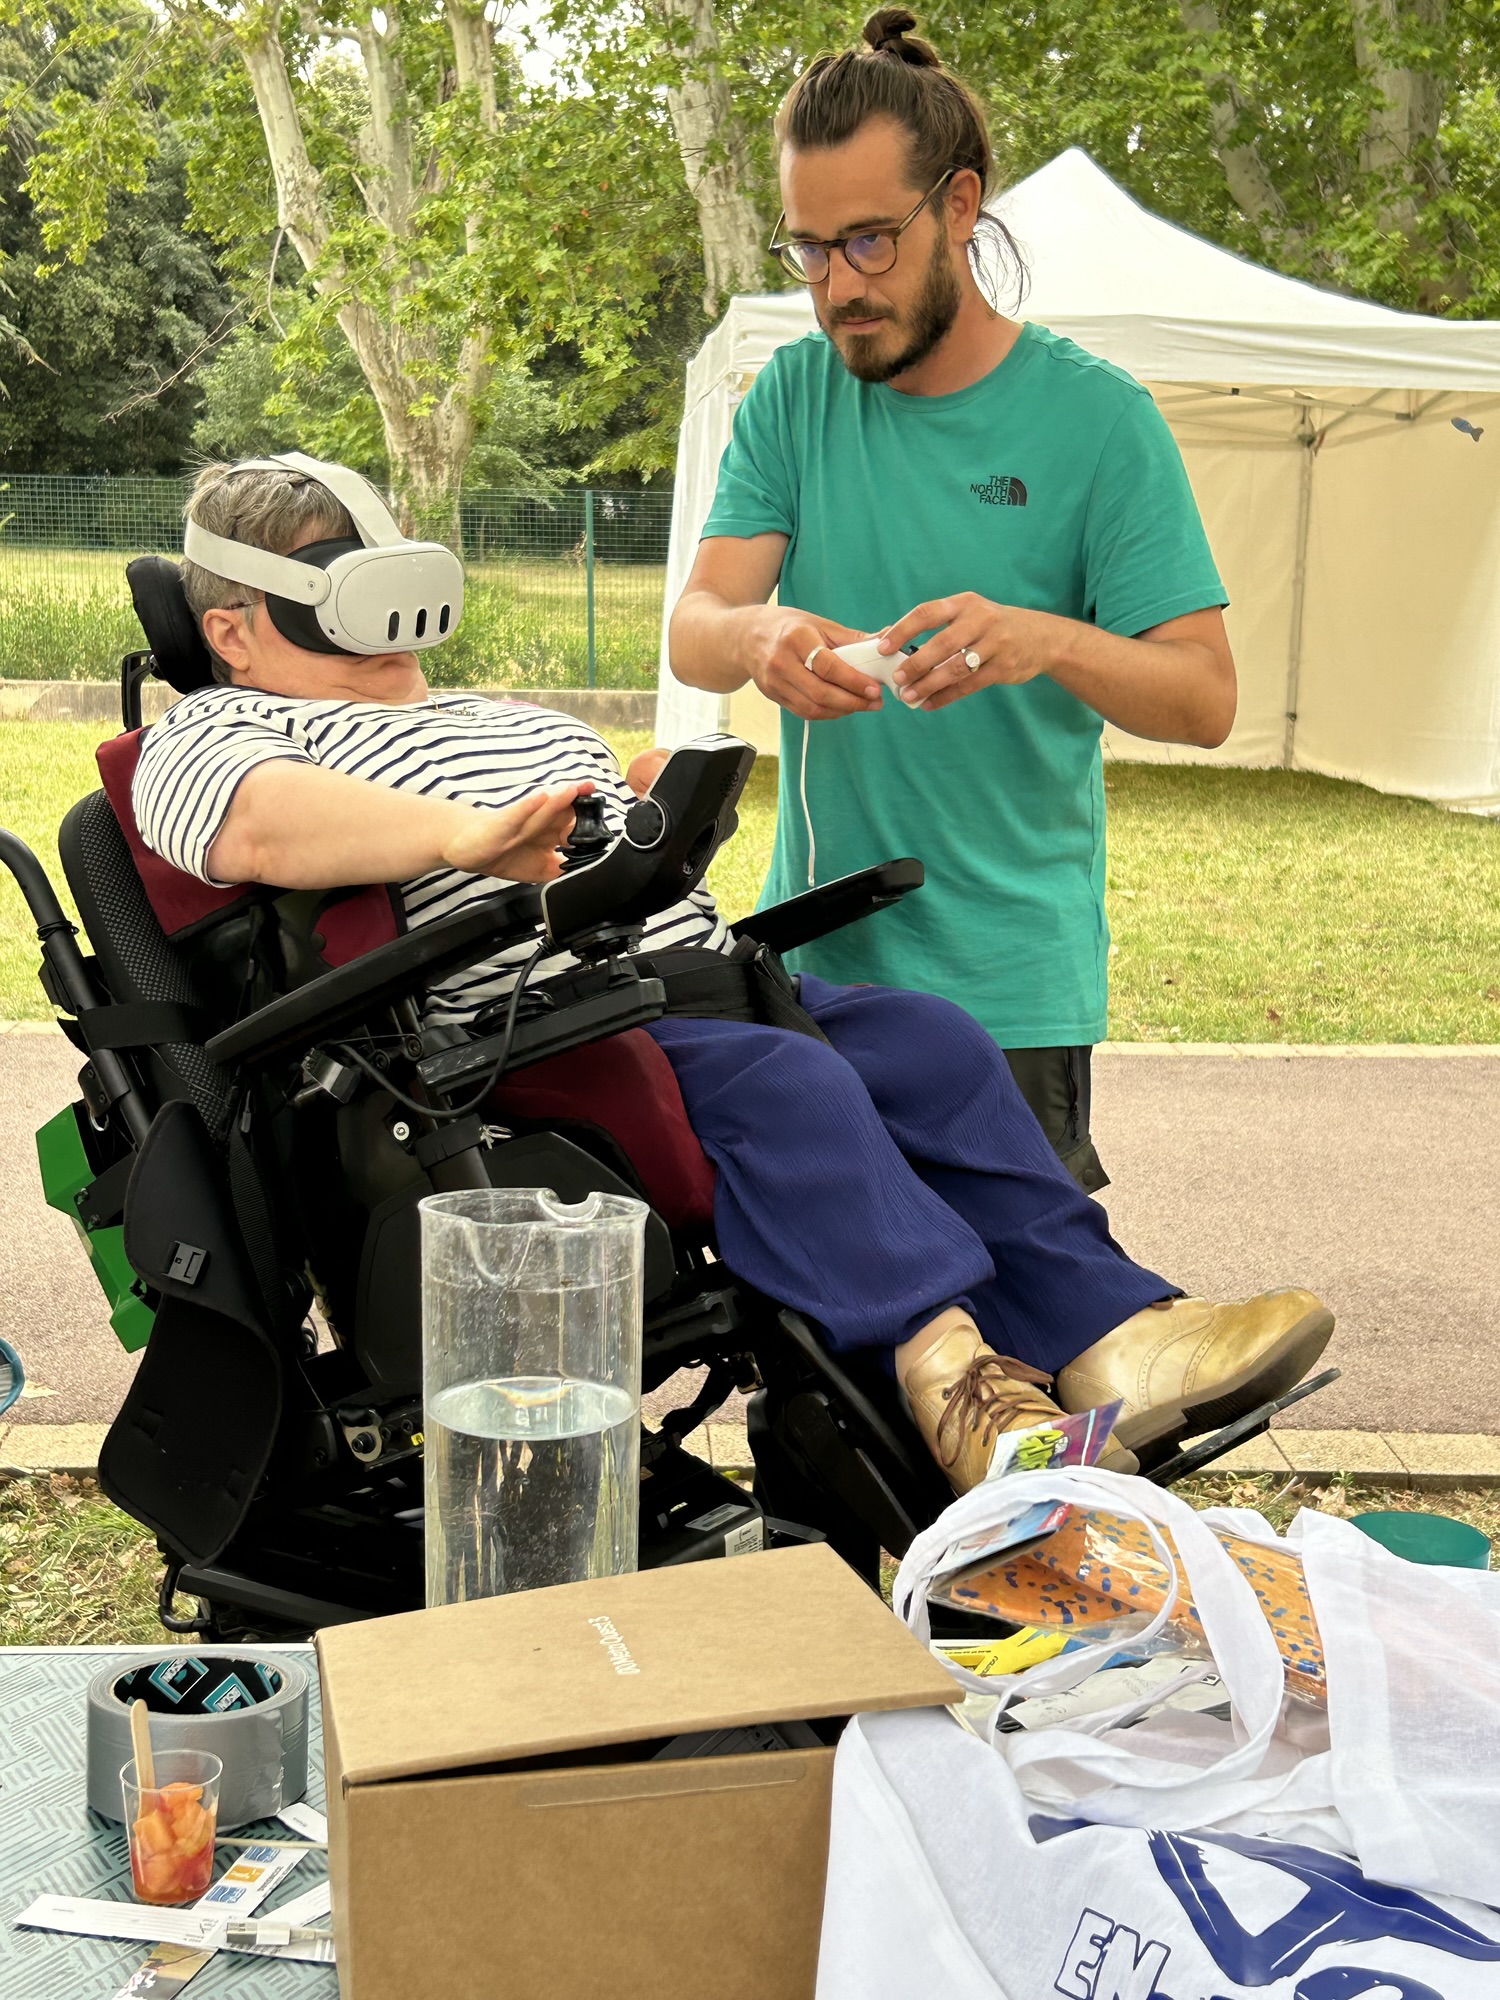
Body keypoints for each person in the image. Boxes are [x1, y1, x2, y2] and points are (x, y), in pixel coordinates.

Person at [132, 456, 1333, 1494]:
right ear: (235, 625)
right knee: (784, 1086)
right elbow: (259, 829)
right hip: (516, 1032)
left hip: (689, 975)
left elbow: (596, 836)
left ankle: (1116, 1335)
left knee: (931, 1041)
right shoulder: (215, 731)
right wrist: (460, 836)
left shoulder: (503, 711)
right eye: (337, 565)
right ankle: (960, 1388)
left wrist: (649, 809)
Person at [668, 9, 1236, 1193]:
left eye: (869, 241)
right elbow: (697, 628)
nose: (837, 287)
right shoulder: (792, 395)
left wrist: (1044, 640)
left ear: (962, 206)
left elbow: (1202, 697)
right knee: (836, 1343)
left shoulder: (1100, 422)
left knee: (1021, 1339)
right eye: (809, 249)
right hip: (816, 960)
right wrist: (759, 632)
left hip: (1010, 989)